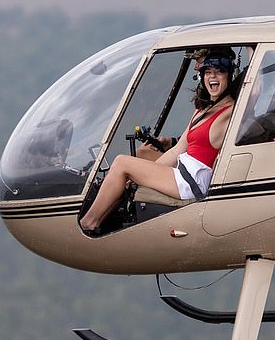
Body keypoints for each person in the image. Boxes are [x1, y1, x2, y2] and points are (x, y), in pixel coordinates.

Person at [80, 48, 238, 234]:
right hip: (184, 170)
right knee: (142, 153)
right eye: (208, 72)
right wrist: (139, 178)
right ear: (202, 77)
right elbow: (178, 149)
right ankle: (111, 208)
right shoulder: (202, 110)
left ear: (230, 76)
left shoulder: (229, 111)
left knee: (122, 163)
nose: (213, 77)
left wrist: (252, 48)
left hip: (192, 182)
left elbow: (253, 93)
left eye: (220, 72)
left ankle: (88, 223)